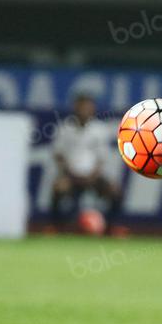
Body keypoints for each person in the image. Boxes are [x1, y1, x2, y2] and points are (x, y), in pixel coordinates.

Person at [49, 93, 125, 236]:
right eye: (81, 107)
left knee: (115, 191)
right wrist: (68, 173)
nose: (84, 110)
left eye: (88, 107)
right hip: (71, 175)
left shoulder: (100, 129)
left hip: (93, 176)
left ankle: (112, 227)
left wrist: (93, 175)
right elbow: (58, 155)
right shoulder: (65, 128)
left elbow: (102, 158)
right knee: (58, 188)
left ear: (93, 109)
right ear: (75, 108)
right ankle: (55, 227)